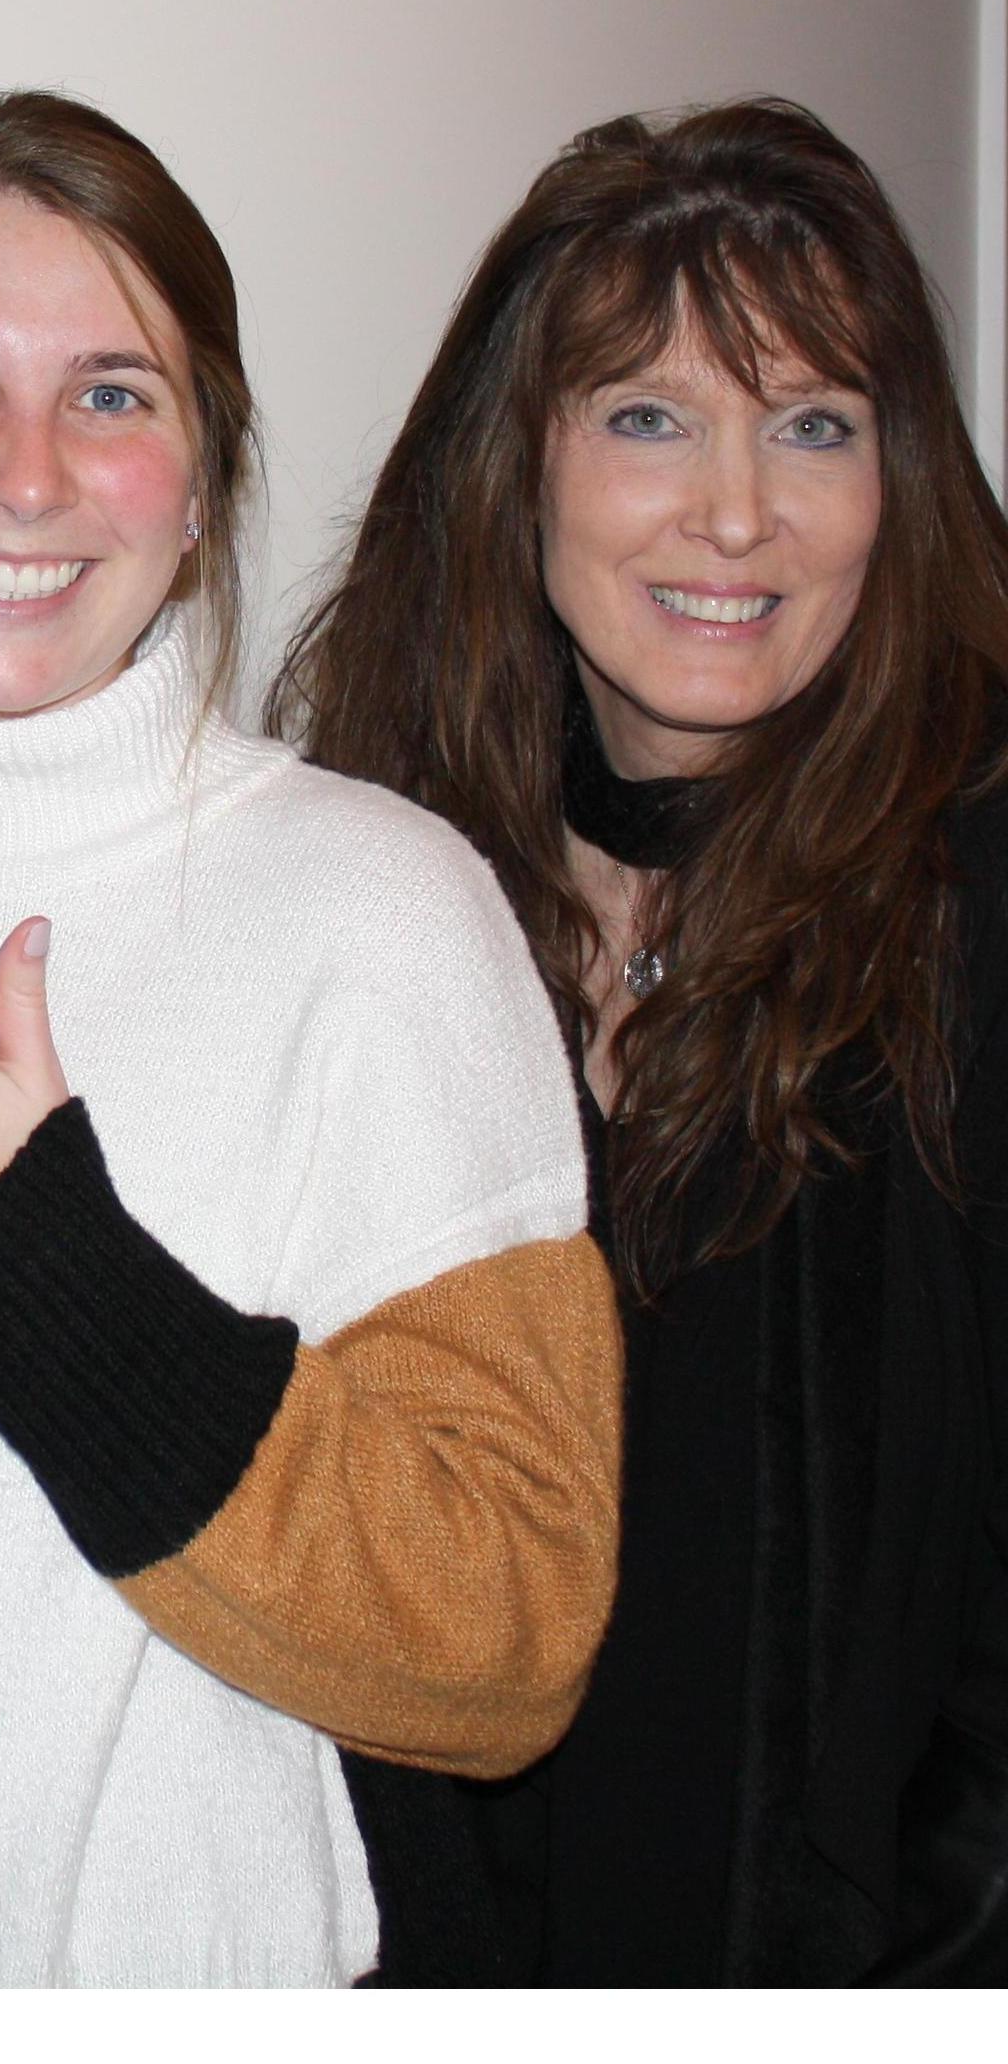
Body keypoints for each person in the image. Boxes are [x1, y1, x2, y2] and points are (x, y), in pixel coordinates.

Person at [0, 91, 623, 1987]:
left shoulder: (378, 914)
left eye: (114, 396)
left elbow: (504, 1636)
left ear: (206, 480)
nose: (30, 475)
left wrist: (15, 1262)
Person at [271, 96, 1008, 1984]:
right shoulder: (374, 893)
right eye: (650, 418)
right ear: (516, 465)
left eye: (815, 425)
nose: (737, 513)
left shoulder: (969, 904)